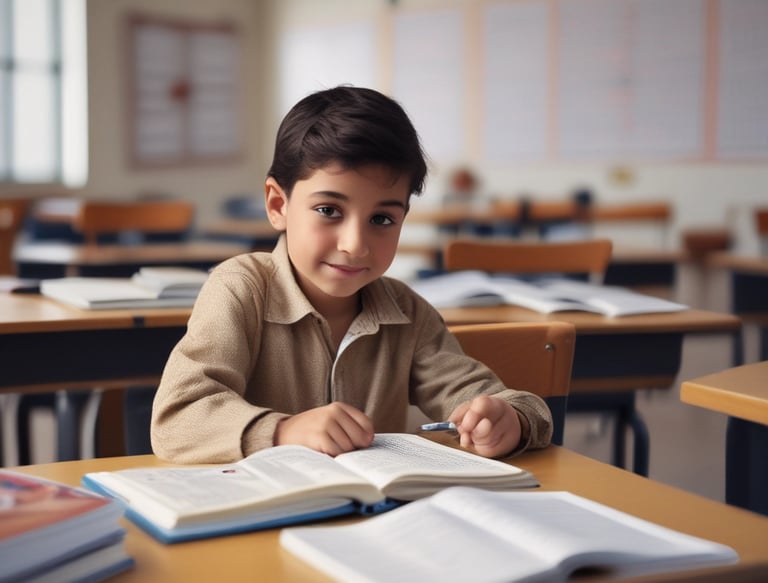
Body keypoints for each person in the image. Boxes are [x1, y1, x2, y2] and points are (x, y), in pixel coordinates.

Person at [150, 86, 552, 463]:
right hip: (258, 515)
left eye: (382, 218)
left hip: (367, 519)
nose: (355, 244)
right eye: (329, 210)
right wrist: (284, 430)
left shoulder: (407, 312)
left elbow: (499, 400)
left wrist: (509, 420)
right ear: (278, 205)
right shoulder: (242, 289)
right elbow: (177, 418)